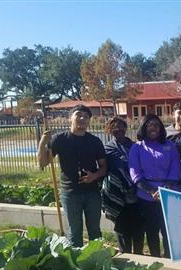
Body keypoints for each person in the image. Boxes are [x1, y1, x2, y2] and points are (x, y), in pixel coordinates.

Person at [37, 104, 107, 247]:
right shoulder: (59, 139)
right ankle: (76, 264)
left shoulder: (95, 142)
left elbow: (104, 167)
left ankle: (98, 262)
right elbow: (43, 163)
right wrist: (42, 143)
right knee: (74, 233)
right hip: (70, 193)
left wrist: (94, 176)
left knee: (95, 230)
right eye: (78, 115)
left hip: (92, 193)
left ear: (89, 121)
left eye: (86, 117)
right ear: (70, 118)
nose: (82, 118)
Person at [129, 114, 181, 258]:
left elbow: (175, 168)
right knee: (152, 230)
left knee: (168, 231)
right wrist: (152, 191)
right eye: (149, 125)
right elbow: (135, 173)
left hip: (168, 193)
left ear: (161, 128)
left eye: (156, 124)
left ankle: (170, 258)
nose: (153, 127)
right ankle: (156, 259)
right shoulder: (137, 148)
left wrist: (166, 188)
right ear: (143, 128)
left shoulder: (170, 146)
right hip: (146, 196)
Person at [102, 117, 144, 254]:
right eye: (114, 127)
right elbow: (103, 170)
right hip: (117, 195)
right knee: (122, 229)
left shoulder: (135, 147)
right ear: (109, 130)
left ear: (126, 128)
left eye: (121, 126)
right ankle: (125, 257)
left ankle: (140, 257)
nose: (118, 129)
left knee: (138, 229)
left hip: (137, 194)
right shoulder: (106, 149)